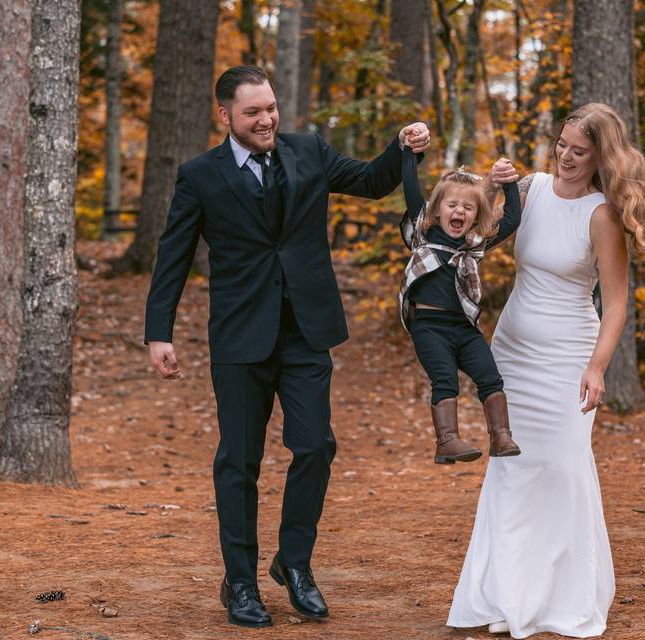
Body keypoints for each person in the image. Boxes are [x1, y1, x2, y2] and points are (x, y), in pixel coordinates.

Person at [143, 64, 430, 629]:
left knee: (316, 446)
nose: (267, 119)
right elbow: (172, 256)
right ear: (225, 115)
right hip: (240, 337)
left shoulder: (308, 151)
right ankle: (242, 583)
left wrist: (403, 147)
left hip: (306, 331)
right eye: (253, 112)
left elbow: (373, 182)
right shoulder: (199, 175)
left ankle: (294, 565)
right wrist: (159, 333)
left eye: (270, 108)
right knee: (239, 462)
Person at [447, 103, 645, 638]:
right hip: (512, 349)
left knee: (562, 468)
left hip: (568, 357)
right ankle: (504, 596)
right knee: (510, 468)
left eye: (578, 151)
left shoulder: (601, 215)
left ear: (599, 156)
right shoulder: (532, 188)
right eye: (561, 145)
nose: (565, 156)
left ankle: (566, 596)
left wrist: (598, 367)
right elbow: (475, 235)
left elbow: (617, 304)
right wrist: (491, 190)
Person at [398, 148, 522, 464]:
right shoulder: (424, 234)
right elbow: (411, 187)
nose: (459, 212)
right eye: (452, 205)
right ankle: (447, 441)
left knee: (490, 377)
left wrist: (509, 184)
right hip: (429, 327)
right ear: (436, 210)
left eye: (468, 208)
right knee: (445, 380)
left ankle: (501, 435)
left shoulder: (475, 245)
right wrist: (412, 154)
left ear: (475, 216)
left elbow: (511, 219)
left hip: (464, 329)